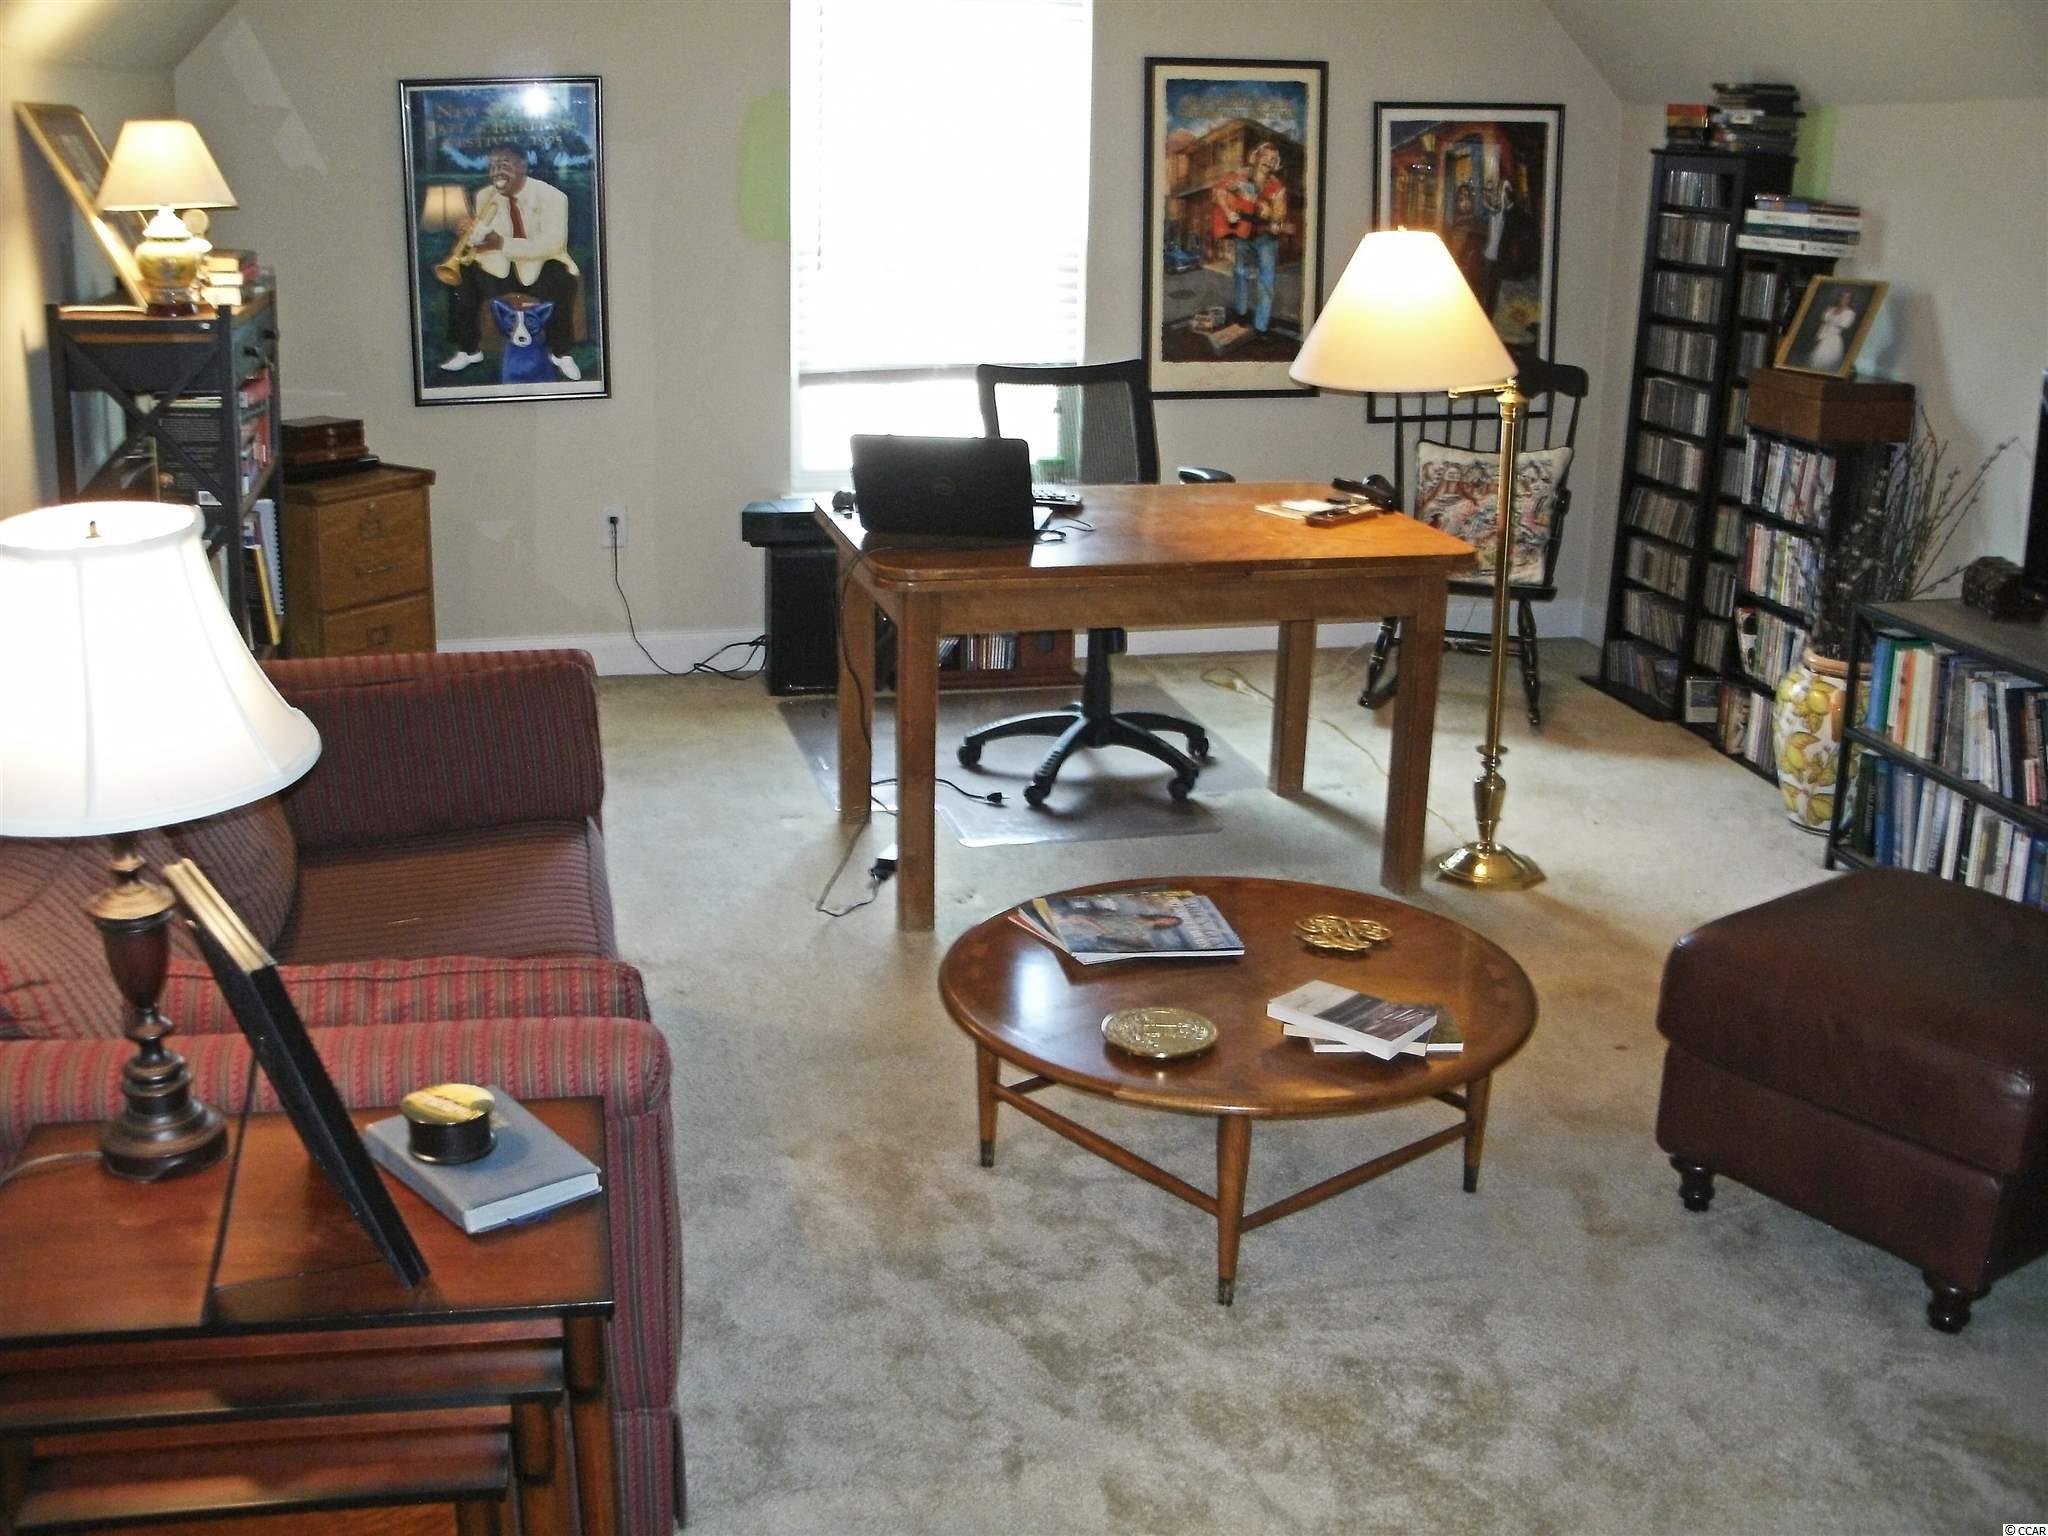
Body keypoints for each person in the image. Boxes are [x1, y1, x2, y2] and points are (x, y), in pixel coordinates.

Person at [440, 144, 583, 380]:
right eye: (492, 166)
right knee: (462, 276)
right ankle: (468, 349)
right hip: (500, 266)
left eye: (503, 165)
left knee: (562, 277)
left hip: (541, 264)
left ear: (522, 166)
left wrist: (501, 243)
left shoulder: (554, 197)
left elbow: (552, 244)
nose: (496, 172)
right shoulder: (484, 195)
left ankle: (561, 353)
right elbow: (486, 238)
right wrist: (472, 237)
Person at [1211, 140, 1290, 335]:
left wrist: (1275, 222)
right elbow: (1219, 191)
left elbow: (1279, 215)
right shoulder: (1240, 176)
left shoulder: (1277, 187)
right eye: (1265, 156)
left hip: (1265, 238)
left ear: (1276, 164)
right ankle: (1241, 315)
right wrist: (1228, 211)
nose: (1269, 161)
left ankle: (1261, 327)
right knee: (1239, 272)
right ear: (1256, 157)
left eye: (1273, 159)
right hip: (1243, 234)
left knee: (1266, 281)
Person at [1801, 290, 1860, 372]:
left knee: (1823, 357)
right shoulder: (1831, 309)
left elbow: (1844, 325)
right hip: (1823, 334)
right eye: (1842, 296)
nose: (1843, 299)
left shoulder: (1850, 313)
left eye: (1847, 297)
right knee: (1814, 357)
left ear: (1850, 300)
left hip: (1833, 338)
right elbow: (1823, 318)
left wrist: (1832, 320)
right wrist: (1831, 320)